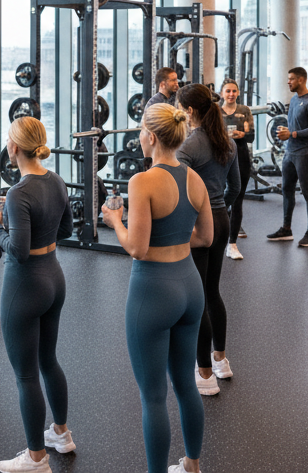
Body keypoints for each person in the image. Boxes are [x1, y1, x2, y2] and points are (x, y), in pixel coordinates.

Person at [102, 103, 213, 473]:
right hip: (189, 287)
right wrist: (176, 240)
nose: (138, 137)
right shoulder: (194, 179)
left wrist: (115, 221)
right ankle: (192, 466)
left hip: (153, 290)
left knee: (153, 396)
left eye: (140, 132)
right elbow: (206, 237)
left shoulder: (142, 182)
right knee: (186, 384)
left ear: (151, 137)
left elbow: (136, 247)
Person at [0, 117, 74, 473]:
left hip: (25, 284)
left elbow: (17, 251)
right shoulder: (57, 180)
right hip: (54, 276)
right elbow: (67, 228)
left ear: (14, 148)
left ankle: (37, 458)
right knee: (48, 360)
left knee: (25, 375)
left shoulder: (19, 193)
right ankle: (61, 434)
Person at [177, 84, 240, 396]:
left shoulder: (189, 147)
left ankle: (204, 373)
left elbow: (179, 190)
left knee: (199, 296)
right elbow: (236, 187)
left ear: (189, 112)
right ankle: (221, 360)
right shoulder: (226, 141)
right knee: (212, 291)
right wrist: (218, 208)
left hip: (199, 223)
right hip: (222, 219)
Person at [268, 67, 308, 247]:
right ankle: (286, 229)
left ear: (301, 80)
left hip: (305, 152)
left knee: (307, 192)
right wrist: (286, 132)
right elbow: (293, 127)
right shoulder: (293, 99)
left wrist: (291, 134)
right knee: (286, 189)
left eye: (291, 79)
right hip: (290, 151)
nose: (288, 82)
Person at [219, 78, 253, 260]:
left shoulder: (244, 111)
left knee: (238, 198)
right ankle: (217, 238)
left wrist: (243, 134)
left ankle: (232, 244)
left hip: (241, 157)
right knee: (218, 197)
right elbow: (211, 134)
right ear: (222, 93)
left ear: (238, 92)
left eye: (234, 91)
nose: (231, 94)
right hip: (221, 158)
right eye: (228, 91)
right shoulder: (216, 111)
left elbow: (252, 136)